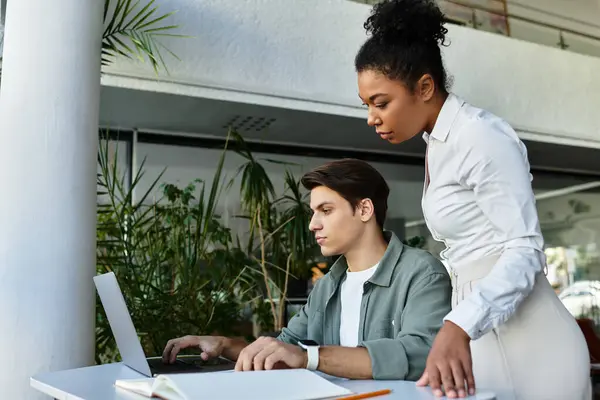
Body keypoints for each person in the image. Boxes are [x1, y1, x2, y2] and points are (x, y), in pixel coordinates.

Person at [354, 1, 591, 399]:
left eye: (381, 102)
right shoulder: (437, 144)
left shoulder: (480, 136)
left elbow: (525, 248)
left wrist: (458, 325)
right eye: (367, 105)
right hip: (479, 343)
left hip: (536, 351)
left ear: (425, 88)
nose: (371, 118)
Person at [162, 158, 452, 380]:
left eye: (326, 211)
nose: (313, 224)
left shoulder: (421, 272)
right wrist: (222, 344)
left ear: (364, 210)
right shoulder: (328, 285)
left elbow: (423, 354)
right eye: (313, 212)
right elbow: (283, 348)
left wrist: (309, 357)